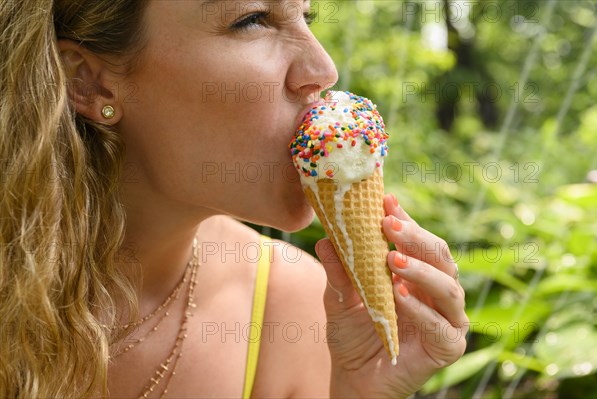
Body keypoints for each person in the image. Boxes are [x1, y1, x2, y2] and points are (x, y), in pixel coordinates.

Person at [0, 0, 468, 398]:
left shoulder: (298, 310)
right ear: (90, 82)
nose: (323, 71)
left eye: (308, 15)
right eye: (252, 20)